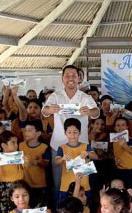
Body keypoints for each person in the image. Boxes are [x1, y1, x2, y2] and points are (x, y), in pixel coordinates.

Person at [41, 65, 100, 197]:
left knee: (83, 182)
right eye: (67, 75)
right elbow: (44, 111)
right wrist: (50, 110)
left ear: (79, 78)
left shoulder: (85, 97)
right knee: (59, 183)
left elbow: (96, 112)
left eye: (74, 75)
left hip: (81, 148)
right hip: (59, 146)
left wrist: (90, 111)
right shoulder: (56, 96)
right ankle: (60, 208)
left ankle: (82, 207)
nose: (70, 78)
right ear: (62, 78)